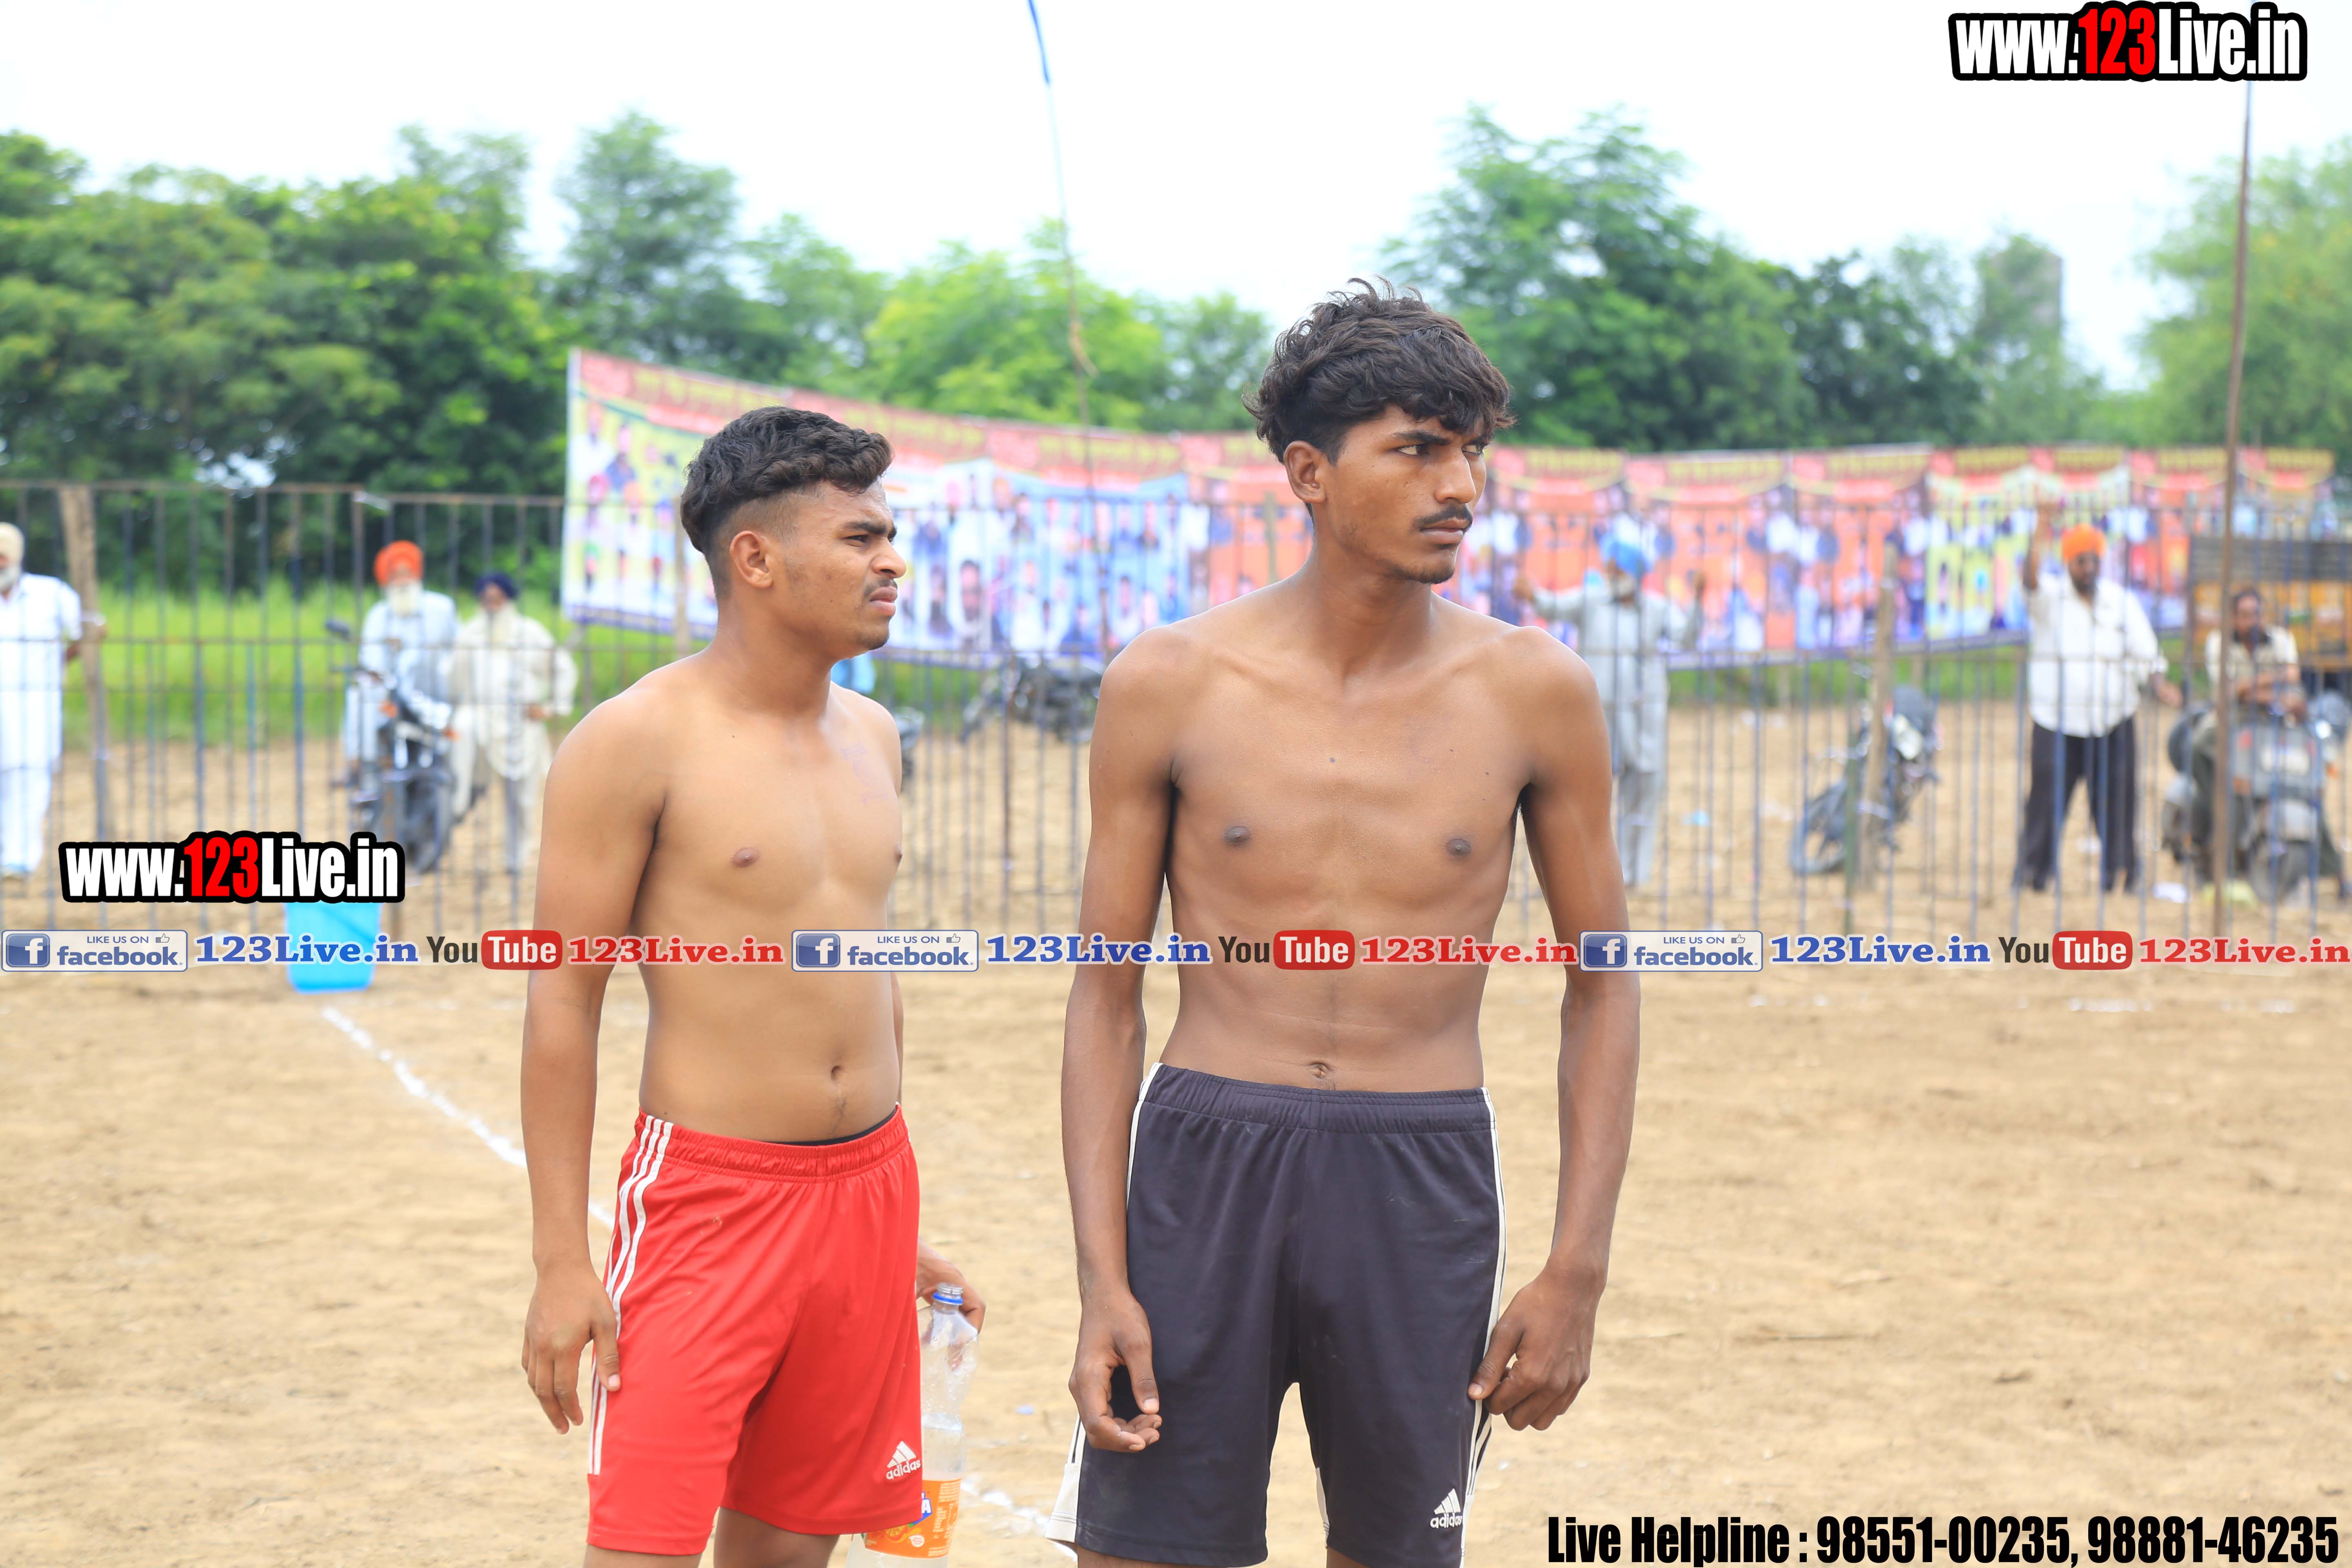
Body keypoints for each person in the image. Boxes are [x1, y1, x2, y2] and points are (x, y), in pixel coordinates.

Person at [1049, 283, 1639, 1568]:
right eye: (1417, 448)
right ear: (1310, 473)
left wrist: (1577, 1269)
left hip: (1416, 1167)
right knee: (1140, 1553)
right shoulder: (1170, 681)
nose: (1459, 485)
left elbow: (1605, 983)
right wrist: (1104, 1278)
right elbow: (1104, 992)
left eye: (1470, 450)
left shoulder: (1534, 691)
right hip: (1206, 1159)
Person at [519, 405, 983, 1568]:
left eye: (890, 537)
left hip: (868, 1186)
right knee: (644, 1546)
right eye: (861, 538)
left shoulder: (874, 733)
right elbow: (562, 999)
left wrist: (894, 1224)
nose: (892, 563)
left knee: (791, 1549)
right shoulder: (633, 741)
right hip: (711, 1201)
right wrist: (561, 1260)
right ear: (756, 558)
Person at [1510, 536, 1696, 889]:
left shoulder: (1657, 609)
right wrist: (1532, 595)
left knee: (1642, 794)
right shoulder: (1592, 600)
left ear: (1634, 573)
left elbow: (1687, 636)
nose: (1611, 574)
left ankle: (1635, 876)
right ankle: (1597, 875)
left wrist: (1698, 600)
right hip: (1597, 719)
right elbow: (1553, 605)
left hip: (1643, 719)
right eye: (1609, 567)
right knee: (1590, 797)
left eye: (1618, 568)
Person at [2013, 506, 2179, 894]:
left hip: (2113, 720)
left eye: (2093, 561)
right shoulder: (2050, 597)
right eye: (2080, 562)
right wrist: (2041, 529)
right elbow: (2029, 580)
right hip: (2056, 721)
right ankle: (2033, 875)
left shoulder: (2120, 601)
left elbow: (2146, 652)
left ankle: (2121, 876)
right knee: (2045, 802)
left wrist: (2159, 685)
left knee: (2118, 801)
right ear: (2068, 563)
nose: (2088, 569)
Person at [2194, 587, 2343, 893]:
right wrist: (2271, 685)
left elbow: (2292, 680)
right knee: (2203, 751)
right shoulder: (2219, 643)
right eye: (2245, 615)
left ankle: (2335, 871)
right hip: (2231, 723)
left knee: (2305, 784)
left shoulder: (2282, 640)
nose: (2253, 621)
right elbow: (2227, 693)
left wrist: (2247, 688)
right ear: (2234, 618)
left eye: (2257, 614)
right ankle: (2211, 838)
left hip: (2276, 724)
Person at [447, 572, 579, 875]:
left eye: (498, 599)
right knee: (465, 776)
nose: (492, 605)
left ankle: (516, 859)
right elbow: (455, 681)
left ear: (508, 600)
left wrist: (551, 708)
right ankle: (456, 826)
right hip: (481, 723)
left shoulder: (529, 633)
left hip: (522, 726)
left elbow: (563, 668)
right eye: (486, 599)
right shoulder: (470, 634)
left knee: (522, 798)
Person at [0, 523, 85, 882]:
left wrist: (58, 663)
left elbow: (89, 632)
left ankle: (18, 861)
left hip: (35, 707)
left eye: (3, 557)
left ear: (16, 558)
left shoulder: (51, 593)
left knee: (30, 779)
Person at [345, 540, 459, 772]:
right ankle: (363, 764)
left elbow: (458, 652)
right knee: (358, 695)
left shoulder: (442, 609)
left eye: (407, 573)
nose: (402, 581)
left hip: (435, 691)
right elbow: (372, 662)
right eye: (395, 575)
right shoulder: (379, 616)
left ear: (417, 574)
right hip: (393, 695)